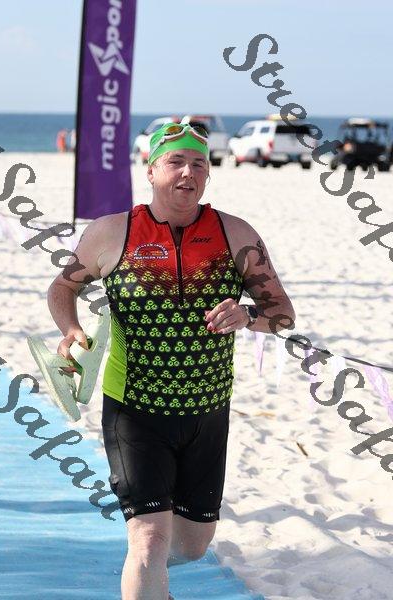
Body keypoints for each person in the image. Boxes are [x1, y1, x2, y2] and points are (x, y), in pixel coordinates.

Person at [47, 122, 295, 600]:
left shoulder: (236, 234)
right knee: (148, 540)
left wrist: (248, 315)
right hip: (134, 408)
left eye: (199, 163)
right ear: (151, 170)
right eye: (175, 161)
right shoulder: (112, 232)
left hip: (208, 411)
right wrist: (71, 329)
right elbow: (63, 287)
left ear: (209, 174)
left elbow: (282, 314)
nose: (188, 172)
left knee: (192, 546)